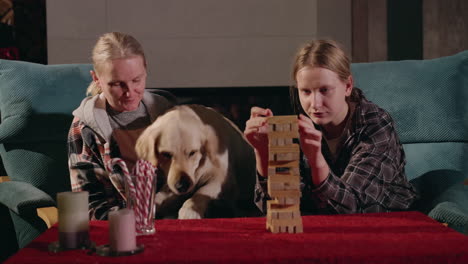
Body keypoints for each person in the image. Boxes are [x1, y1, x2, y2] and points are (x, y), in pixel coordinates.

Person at [244, 39, 418, 214]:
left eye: (324, 90)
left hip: (388, 226)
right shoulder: (301, 126)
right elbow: (282, 209)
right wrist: (263, 152)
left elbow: (352, 208)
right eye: (306, 91)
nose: (315, 104)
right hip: (324, 230)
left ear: (348, 86)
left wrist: (316, 160)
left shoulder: (376, 125)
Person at [68, 32, 175, 220]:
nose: (129, 93)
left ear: (145, 70)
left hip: (181, 219)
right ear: (96, 79)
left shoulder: (169, 112)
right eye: (117, 84)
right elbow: (90, 205)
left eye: (136, 80)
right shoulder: (84, 127)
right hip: (125, 228)